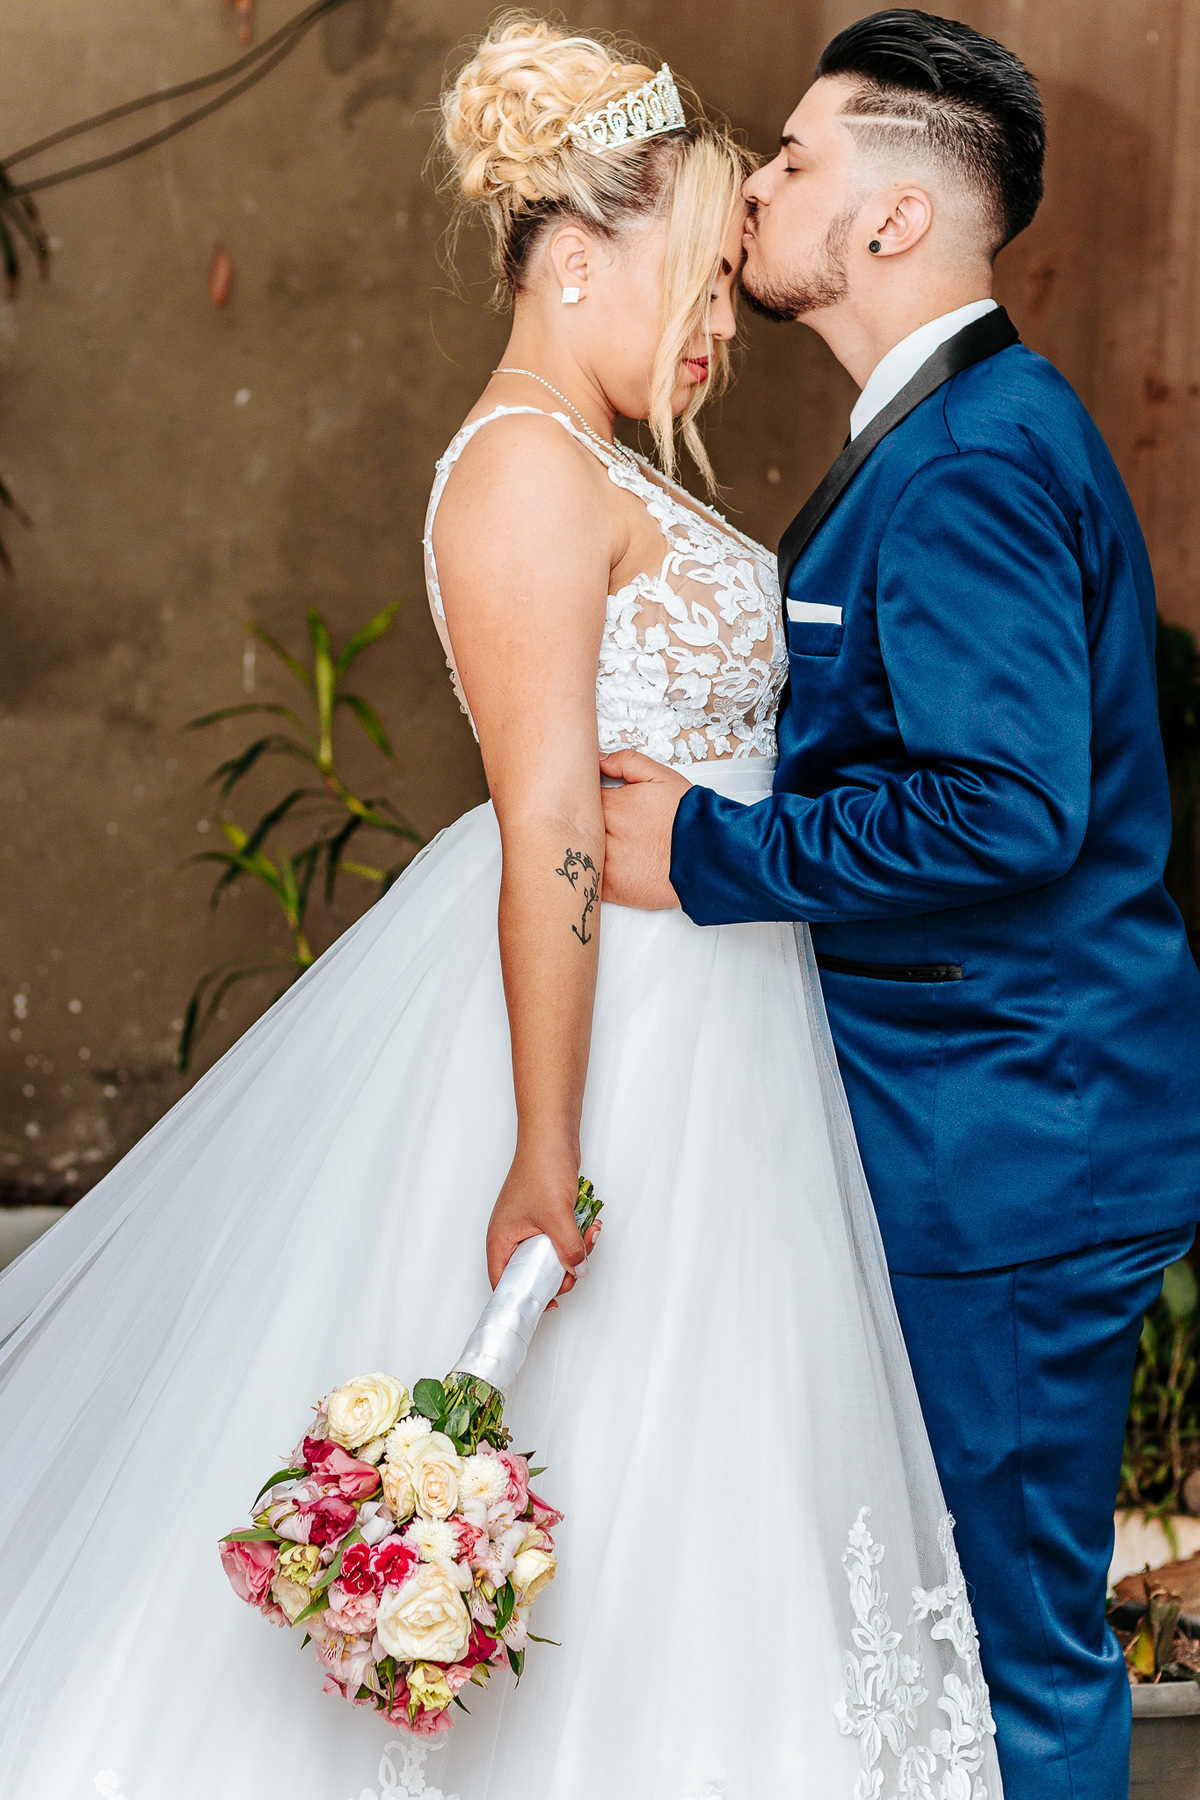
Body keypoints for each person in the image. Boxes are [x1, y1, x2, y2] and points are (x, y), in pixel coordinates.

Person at [0, 15, 1006, 1800]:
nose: (719, 325)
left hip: (723, 1012)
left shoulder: (595, 454)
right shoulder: (528, 467)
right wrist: (549, 1148)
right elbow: (546, 824)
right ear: (576, 254)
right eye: (696, 279)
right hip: (614, 1032)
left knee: (711, 1472)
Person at [600, 11, 1200, 1800]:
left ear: (887, 224)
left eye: (791, 160)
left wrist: (702, 854)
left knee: (1012, 1648)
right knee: (949, 1623)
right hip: (981, 1126)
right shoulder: (946, 432)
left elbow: (1005, 811)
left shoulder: (974, 462)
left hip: (1010, 1142)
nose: (756, 189)